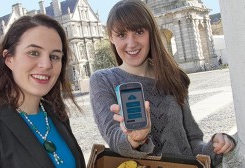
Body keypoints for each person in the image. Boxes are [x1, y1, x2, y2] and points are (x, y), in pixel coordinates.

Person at [89, 0, 236, 167]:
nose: (131, 43)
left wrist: (216, 145)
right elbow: (115, 138)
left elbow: (192, 142)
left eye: (139, 31)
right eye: (122, 35)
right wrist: (135, 138)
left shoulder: (173, 77)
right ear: (111, 38)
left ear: (151, 33)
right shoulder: (103, 80)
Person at [0, 14, 86, 168]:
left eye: (55, 56)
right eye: (34, 53)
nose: (46, 64)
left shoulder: (56, 115)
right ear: (9, 59)